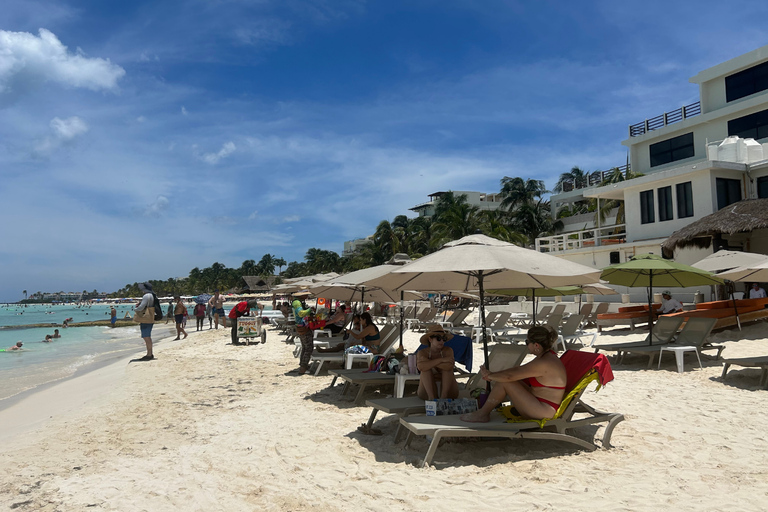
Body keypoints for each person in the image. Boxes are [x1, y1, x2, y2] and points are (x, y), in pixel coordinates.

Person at [461, 325, 566, 422]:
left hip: (543, 410)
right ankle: (483, 412)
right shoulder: (547, 357)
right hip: (539, 403)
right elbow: (516, 371)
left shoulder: (544, 363)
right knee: (508, 379)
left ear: (536, 345)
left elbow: (509, 376)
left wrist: (490, 376)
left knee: (505, 382)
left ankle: (482, 414)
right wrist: (492, 374)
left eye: (527, 342)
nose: (526, 345)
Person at [416, 325, 459, 400]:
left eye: (444, 339)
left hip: (448, 390)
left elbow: (449, 366)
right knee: (425, 371)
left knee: (447, 370)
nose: (442, 341)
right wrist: (441, 360)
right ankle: (431, 398)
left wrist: (429, 363)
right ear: (430, 339)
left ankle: (443, 397)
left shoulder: (448, 350)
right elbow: (421, 367)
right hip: (428, 389)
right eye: (438, 338)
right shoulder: (423, 352)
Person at [134, 282, 158, 361]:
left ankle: (149, 354)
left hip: (146, 318)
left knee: (146, 336)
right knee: (147, 336)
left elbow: (141, 307)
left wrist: (135, 309)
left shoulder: (146, 296)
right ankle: (150, 353)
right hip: (150, 317)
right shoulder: (152, 296)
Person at [292, 299, 314, 374]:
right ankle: (303, 368)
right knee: (308, 348)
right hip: (303, 328)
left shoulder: (297, 302)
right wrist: (309, 310)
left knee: (305, 347)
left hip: (300, 327)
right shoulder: (297, 302)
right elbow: (301, 313)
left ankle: (303, 365)